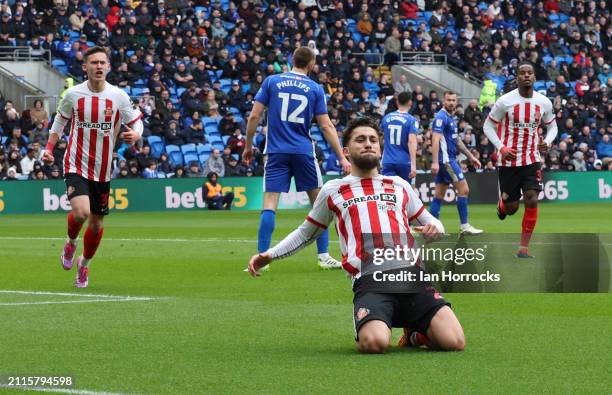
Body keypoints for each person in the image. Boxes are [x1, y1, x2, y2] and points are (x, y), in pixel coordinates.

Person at [247, 117, 465, 354]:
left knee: (454, 342)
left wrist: (436, 229)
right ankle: (377, 323)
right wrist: (269, 255)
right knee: (374, 344)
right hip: (371, 281)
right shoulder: (334, 189)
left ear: (380, 149)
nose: (368, 144)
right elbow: (305, 234)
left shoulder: (399, 185)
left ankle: (414, 333)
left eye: (373, 140)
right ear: (346, 151)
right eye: (360, 140)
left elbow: (432, 222)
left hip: (413, 278)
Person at [41, 46, 143, 288]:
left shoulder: (118, 96)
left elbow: (136, 122)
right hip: (76, 162)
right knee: (81, 213)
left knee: (96, 224)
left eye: (102, 62)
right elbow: (59, 122)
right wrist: (48, 148)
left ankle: (83, 265)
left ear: (108, 66)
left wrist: (136, 136)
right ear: (85, 67)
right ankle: (70, 242)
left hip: (103, 168)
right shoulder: (74, 95)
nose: (98, 66)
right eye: (94, 62)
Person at [242, 47, 351, 270]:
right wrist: (342, 156)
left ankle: (262, 260)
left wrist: (247, 145)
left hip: (275, 152)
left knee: (270, 205)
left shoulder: (272, 81)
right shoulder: (314, 88)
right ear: (311, 65)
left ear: (292, 60)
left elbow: (254, 115)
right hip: (303, 152)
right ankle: (323, 257)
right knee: (320, 205)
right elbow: (326, 125)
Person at [483, 61, 558, 258]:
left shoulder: (544, 102)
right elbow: (488, 126)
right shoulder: (504, 101)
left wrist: (547, 142)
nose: (526, 76)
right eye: (522, 73)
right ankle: (503, 203)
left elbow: (553, 127)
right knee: (511, 209)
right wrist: (501, 147)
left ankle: (523, 247)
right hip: (509, 161)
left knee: (532, 198)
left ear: (534, 78)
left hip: (532, 159)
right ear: (517, 78)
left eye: (529, 73)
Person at [430, 91, 483, 236]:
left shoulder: (450, 118)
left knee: (439, 195)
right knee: (464, 190)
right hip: (446, 161)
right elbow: (434, 140)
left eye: (454, 100)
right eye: (449, 100)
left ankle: (433, 229)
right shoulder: (441, 117)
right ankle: (464, 226)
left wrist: (471, 156)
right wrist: (435, 162)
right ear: (443, 100)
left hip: (446, 160)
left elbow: (457, 141)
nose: (451, 102)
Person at [381, 92, 418, 186]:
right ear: (410, 103)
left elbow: (380, 138)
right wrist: (413, 165)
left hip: (387, 161)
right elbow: (411, 142)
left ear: (397, 102)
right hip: (404, 162)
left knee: (387, 193)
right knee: (407, 193)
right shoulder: (411, 120)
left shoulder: (386, 118)